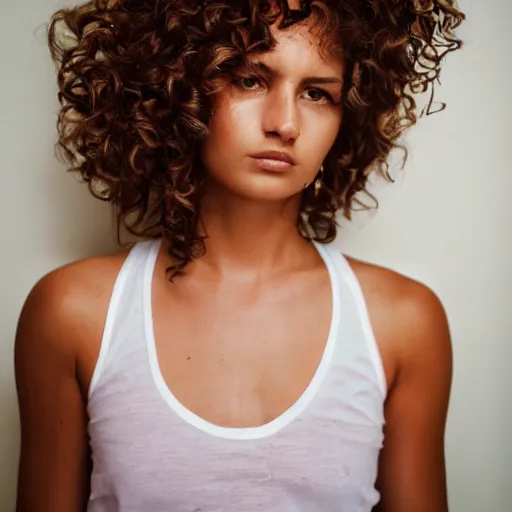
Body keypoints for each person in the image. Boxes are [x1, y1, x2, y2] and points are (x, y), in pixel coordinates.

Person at [13, 0, 465, 510]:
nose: (285, 123)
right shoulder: (73, 313)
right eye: (250, 79)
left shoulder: (403, 323)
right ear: (177, 86)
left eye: (317, 93)